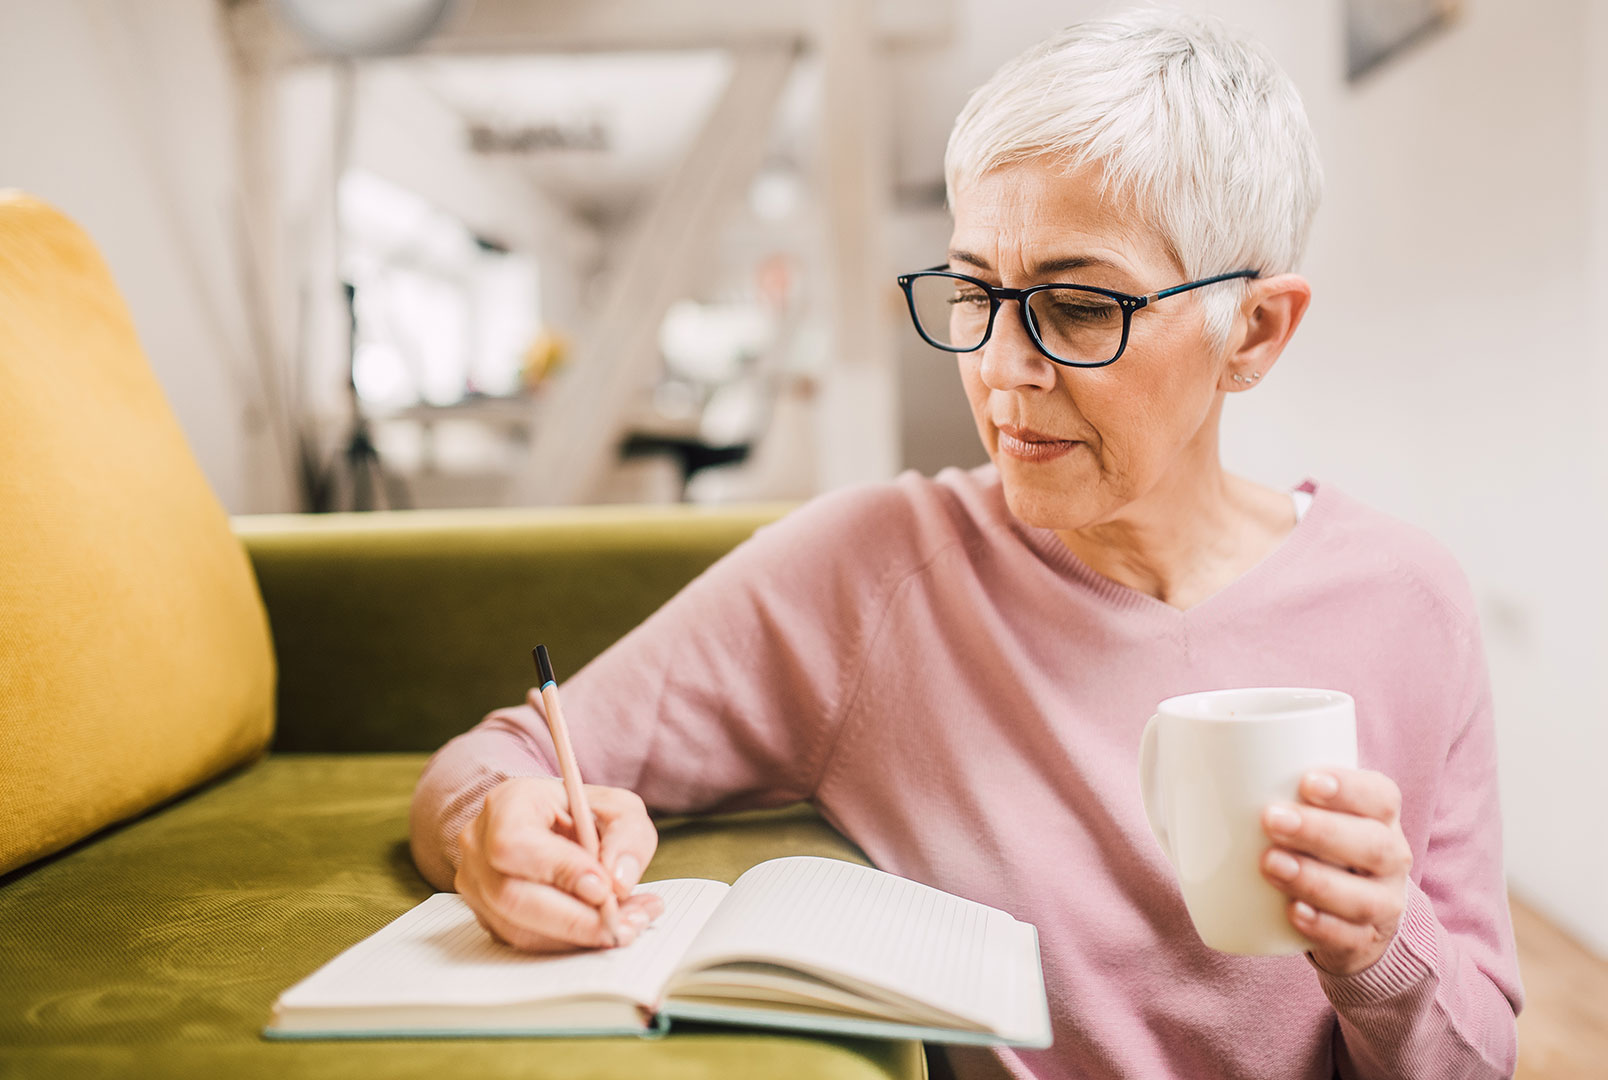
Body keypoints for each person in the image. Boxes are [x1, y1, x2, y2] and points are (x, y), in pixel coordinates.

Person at [410, 9, 1523, 1079]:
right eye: (975, 291)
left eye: (1081, 306)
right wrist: (488, 840)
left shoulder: (1406, 602)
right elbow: (497, 758)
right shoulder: (876, 571)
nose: (1001, 369)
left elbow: (1476, 1065)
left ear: (1257, 330)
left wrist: (1383, 948)